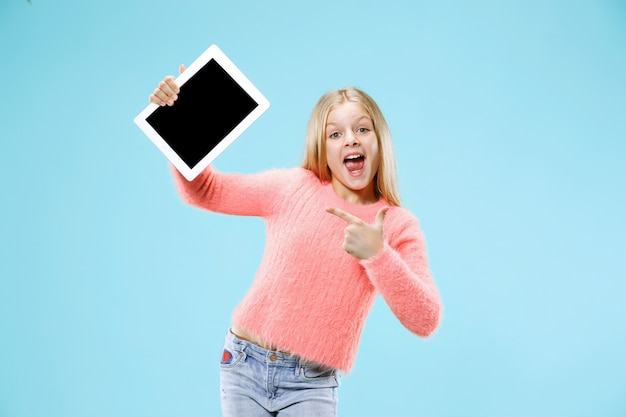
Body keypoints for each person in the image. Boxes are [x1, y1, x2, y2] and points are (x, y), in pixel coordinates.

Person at [149, 65, 442, 417]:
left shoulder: (396, 225)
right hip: (243, 362)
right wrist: (181, 122)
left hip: (311, 382)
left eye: (362, 129)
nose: (350, 139)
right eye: (335, 134)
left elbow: (425, 319)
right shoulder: (292, 187)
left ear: (379, 140)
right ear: (322, 145)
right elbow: (205, 191)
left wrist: (378, 255)